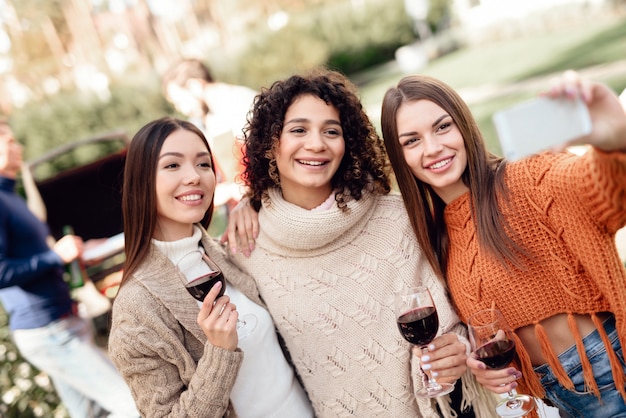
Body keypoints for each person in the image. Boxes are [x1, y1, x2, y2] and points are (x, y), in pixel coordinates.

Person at [221, 69, 498, 417]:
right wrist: (250, 200)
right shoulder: (247, 245)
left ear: (347, 142)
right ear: (269, 143)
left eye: (331, 131)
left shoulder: (399, 218)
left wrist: (458, 345)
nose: (317, 143)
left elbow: (464, 313)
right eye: (298, 130)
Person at [379, 71, 626, 417]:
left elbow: (607, 192)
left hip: (607, 373)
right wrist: (483, 365)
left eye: (442, 127)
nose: (433, 148)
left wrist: (615, 138)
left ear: (463, 125)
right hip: (553, 399)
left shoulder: (524, 177)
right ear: (399, 155)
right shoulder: (438, 235)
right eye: (412, 141)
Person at [107, 116, 313, 418]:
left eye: (203, 164)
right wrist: (219, 352)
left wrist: (250, 203)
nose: (194, 176)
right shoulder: (137, 310)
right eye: (172, 165)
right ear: (142, 181)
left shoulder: (225, 255)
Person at [0, 119, 139, 418]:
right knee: (133, 406)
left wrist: (75, 252)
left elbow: (37, 255)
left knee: (92, 414)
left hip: (61, 323)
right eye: (8, 141)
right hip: (48, 331)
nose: (17, 147)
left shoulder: (11, 196)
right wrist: (55, 258)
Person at [162, 58, 257, 209]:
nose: (182, 110)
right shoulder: (206, 119)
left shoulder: (243, 104)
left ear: (194, 86)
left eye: (180, 102)